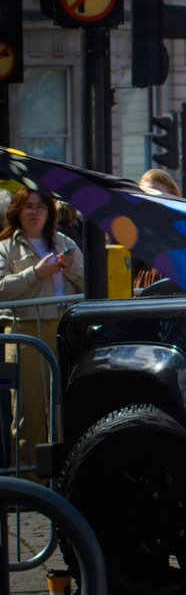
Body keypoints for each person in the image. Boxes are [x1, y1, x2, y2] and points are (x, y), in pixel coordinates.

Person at [0, 187, 84, 476]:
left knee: (63, 410)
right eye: (28, 206)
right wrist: (35, 273)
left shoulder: (63, 242)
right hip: (25, 333)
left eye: (41, 207)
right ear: (17, 211)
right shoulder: (6, 247)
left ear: (50, 212)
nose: (34, 212)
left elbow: (92, 282)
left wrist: (71, 269)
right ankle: (29, 482)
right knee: (28, 412)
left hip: (63, 330)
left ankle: (64, 478)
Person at [134, 169, 182, 291]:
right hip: (137, 303)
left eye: (158, 196)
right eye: (145, 196)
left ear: (172, 196)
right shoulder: (130, 229)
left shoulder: (183, 229)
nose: (151, 202)